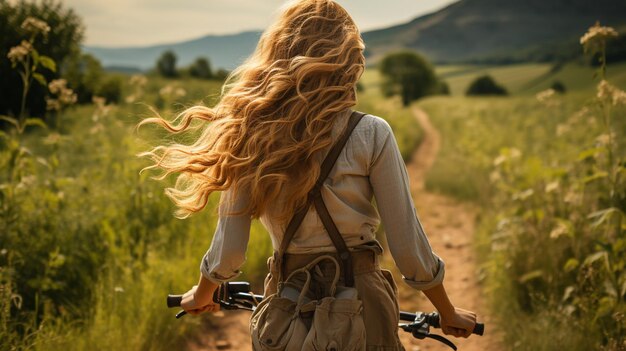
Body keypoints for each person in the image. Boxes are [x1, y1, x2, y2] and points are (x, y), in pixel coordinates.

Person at [140, 0, 477, 348]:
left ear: (278, 54)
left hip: (287, 308)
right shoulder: (372, 134)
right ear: (349, 59)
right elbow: (408, 248)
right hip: (361, 305)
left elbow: (228, 253)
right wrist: (447, 312)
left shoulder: (251, 134)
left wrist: (202, 293)